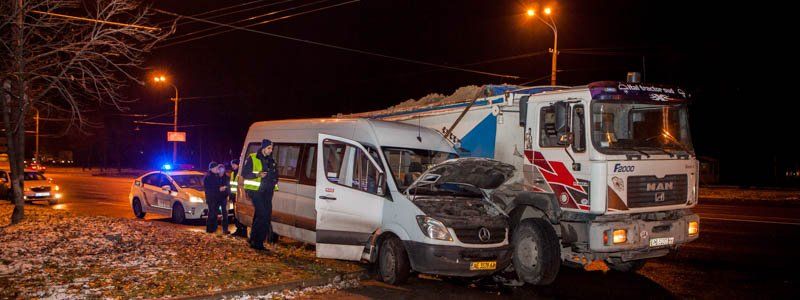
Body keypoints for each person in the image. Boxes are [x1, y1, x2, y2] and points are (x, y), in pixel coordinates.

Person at [242, 139, 279, 251]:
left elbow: (276, 174)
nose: (271, 150)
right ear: (263, 148)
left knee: (264, 216)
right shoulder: (253, 158)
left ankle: (253, 238)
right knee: (262, 215)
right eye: (269, 148)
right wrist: (257, 174)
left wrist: (274, 180)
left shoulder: (271, 160)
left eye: (271, 148)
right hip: (255, 191)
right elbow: (245, 173)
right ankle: (257, 243)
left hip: (268, 192)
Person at [203, 161, 230, 234]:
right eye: (215, 168)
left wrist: (221, 188)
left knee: (214, 214)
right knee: (211, 214)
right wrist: (219, 189)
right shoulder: (208, 177)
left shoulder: (215, 176)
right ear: (211, 168)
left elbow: (216, 185)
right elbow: (209, 188)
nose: (217, 169)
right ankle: (210, 229)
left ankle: (213, 228)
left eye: (217, 168)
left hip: (216, 198)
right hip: (211, 198)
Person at [228, 159, 248, 237]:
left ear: (238, 164)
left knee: (241, 213)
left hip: (240, 197)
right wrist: (230, 195)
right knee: (236, 214)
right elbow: (231, 185)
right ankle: (239, 229)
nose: (232, 166)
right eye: (232, 164)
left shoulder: (242, 173)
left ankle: (243, 230)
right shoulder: (233, 173)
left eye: (233, 164)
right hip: (234, 196)